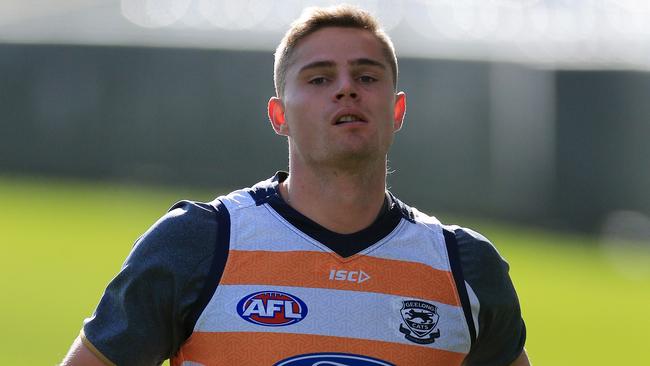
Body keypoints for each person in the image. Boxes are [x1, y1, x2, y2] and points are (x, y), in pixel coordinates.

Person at [63, 4, 529, 366]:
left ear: (397, 110)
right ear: (279, 116)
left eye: (366, 76)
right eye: (320, 77)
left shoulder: (465, 266)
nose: (346, 89)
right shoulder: (198, 241)